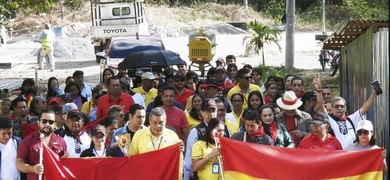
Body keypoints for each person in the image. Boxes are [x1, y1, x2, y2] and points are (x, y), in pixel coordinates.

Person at [16, 110, 68, 179]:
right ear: (38, 122)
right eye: (44, 121)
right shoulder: (28, 140)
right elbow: (19, 163)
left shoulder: (61, 141)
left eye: (51, 122)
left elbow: (66, 162)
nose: (47, 124)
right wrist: (33, 169)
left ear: (54, 124)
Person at [184, 98, 217, 180]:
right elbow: (188, 161)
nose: (211, 114)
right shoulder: (196, 131)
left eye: (213, 111)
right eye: (208, 111)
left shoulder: (223, 129)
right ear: (201, 112)